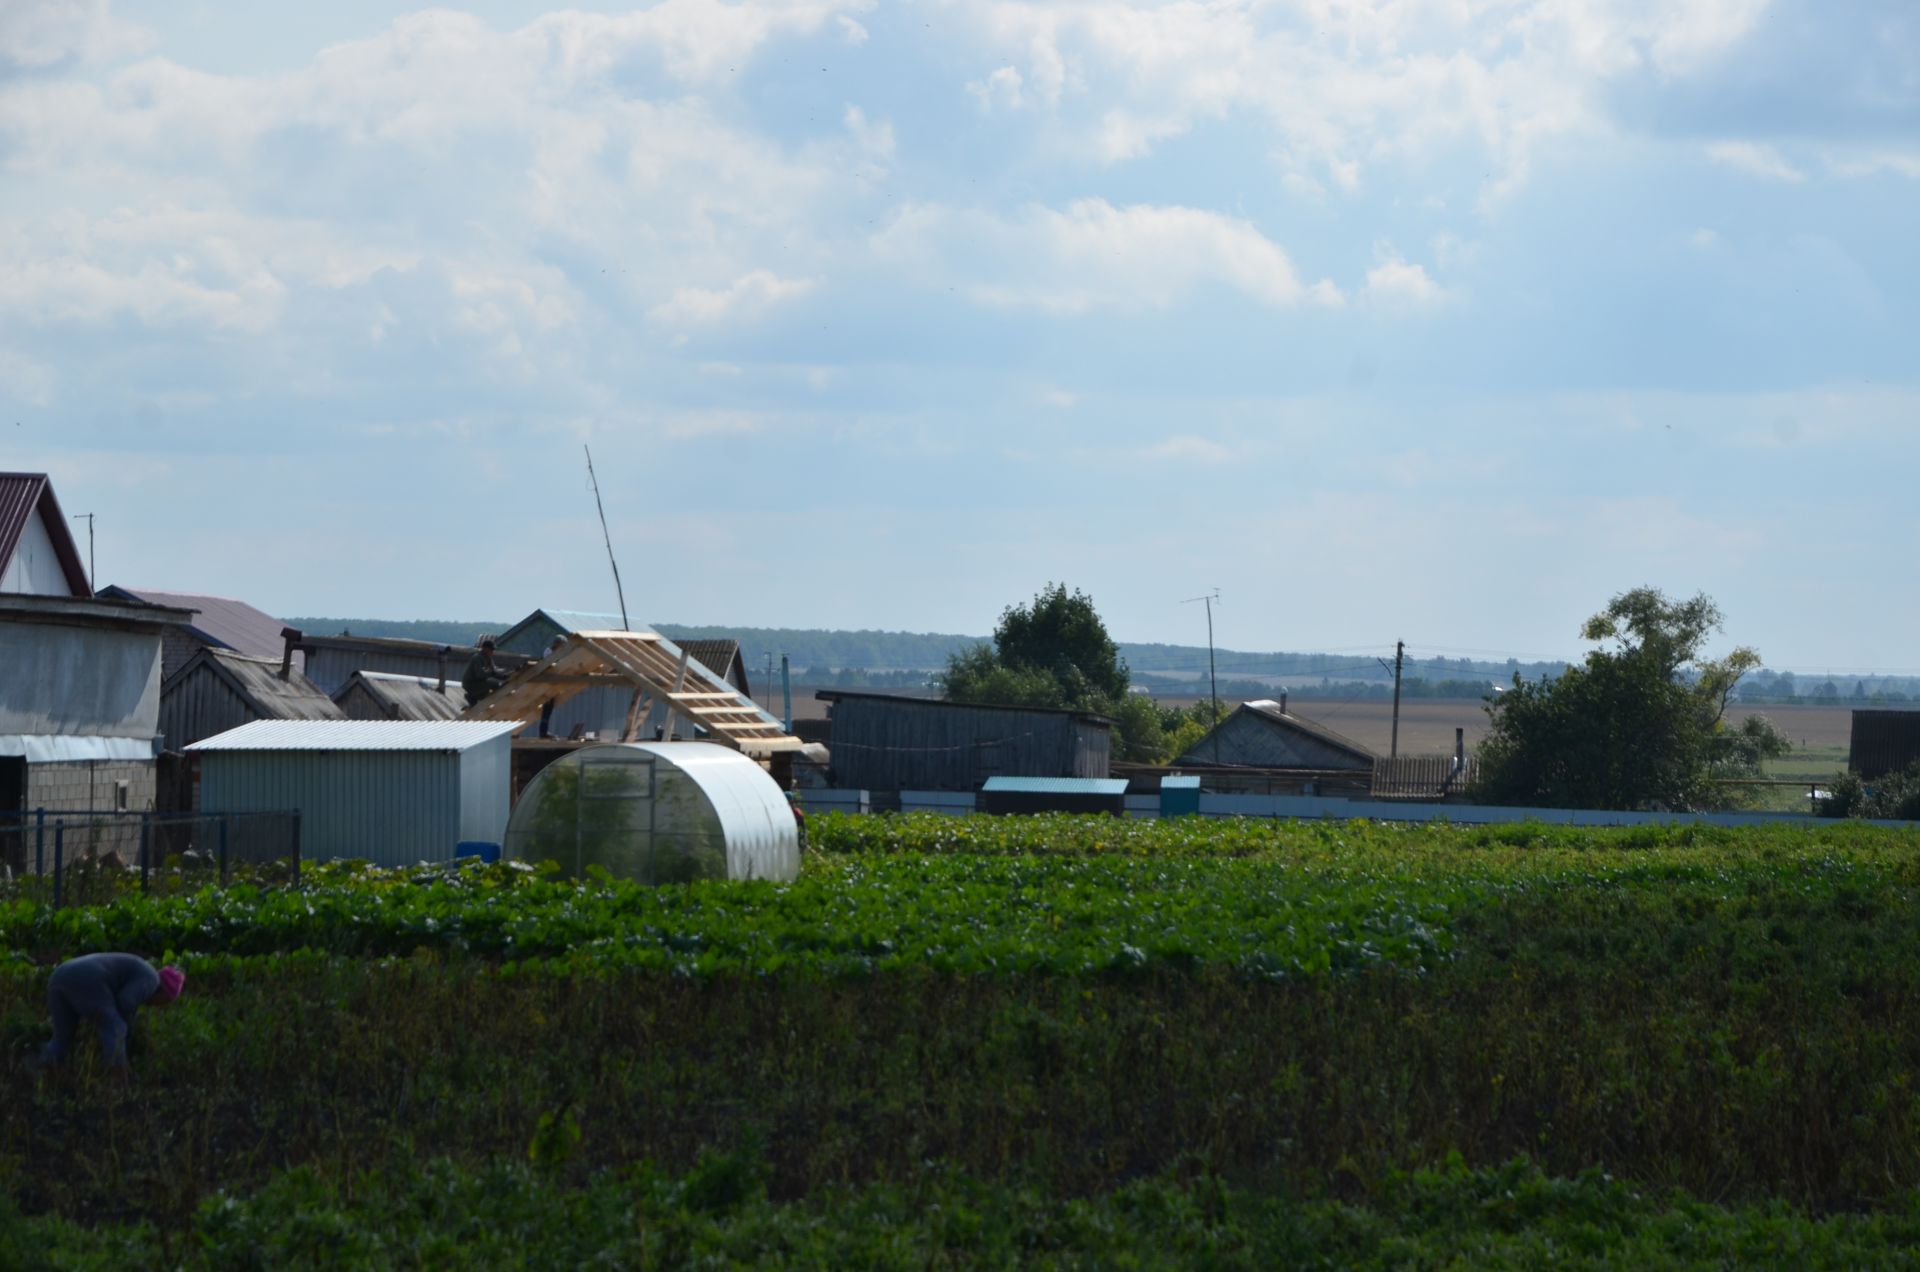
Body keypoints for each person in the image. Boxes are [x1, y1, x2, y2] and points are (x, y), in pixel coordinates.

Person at [40, 953, 184, 1072]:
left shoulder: (142, 970)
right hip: (87, 979)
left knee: (62, 1036)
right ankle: (117, 1077)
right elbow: (125, 1001)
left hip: (59, 976)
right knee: (116, 1028)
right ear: (165, 993)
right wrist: (127, 1031)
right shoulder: (152, 979)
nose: (160, 1007)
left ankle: (42, 1064)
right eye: (166, 1002)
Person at [462, 637, 510, 708]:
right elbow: (480, 674)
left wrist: (504, 677)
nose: (492, 652)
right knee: (494, 683)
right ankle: (472, 696)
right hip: (471, 684)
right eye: (491, 649)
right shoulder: (477, 658)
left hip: (479, 682)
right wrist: (492, 673)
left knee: (486, 693)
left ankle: (473, 697)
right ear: (485, 649)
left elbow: (493, 671)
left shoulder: (488, 658)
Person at [538, 634, 568, 738]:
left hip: (552, 683)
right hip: (546, 683)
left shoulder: (556, 653)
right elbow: (550, 666)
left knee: (549, 708)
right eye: (562, 645)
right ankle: (543, 732)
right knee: (546, 708)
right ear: (557, 644)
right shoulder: (548, 652)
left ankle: (544, 731)